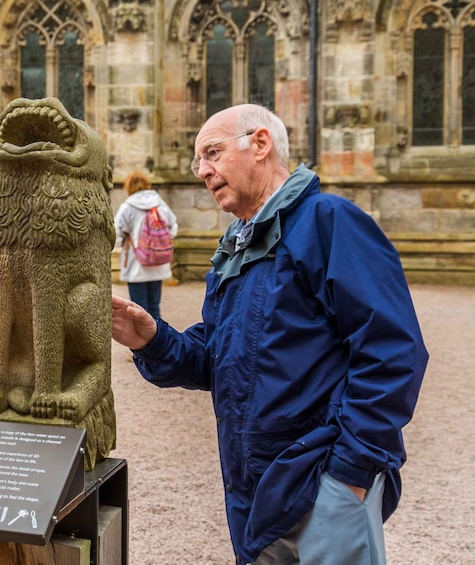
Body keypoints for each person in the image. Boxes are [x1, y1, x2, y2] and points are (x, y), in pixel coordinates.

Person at [111, 104, 428, 564]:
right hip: (255, 492)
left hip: (322, 483)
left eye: (212, 152)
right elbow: (220, 356)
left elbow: (393, 351)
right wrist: (153, 338)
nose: (202, 170)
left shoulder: (328, 221)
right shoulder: (240, 242)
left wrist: (350, 471)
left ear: (260, 144)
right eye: (198, 160)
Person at [114, 171, 178, 320]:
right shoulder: (160, 203)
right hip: (158, 262)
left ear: (128, 186)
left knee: (138, 310)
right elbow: (173, 228)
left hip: (137, 264)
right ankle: (160, 341)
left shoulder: (128, 206)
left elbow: (116, 233)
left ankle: (141, 343)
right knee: (154, 307)